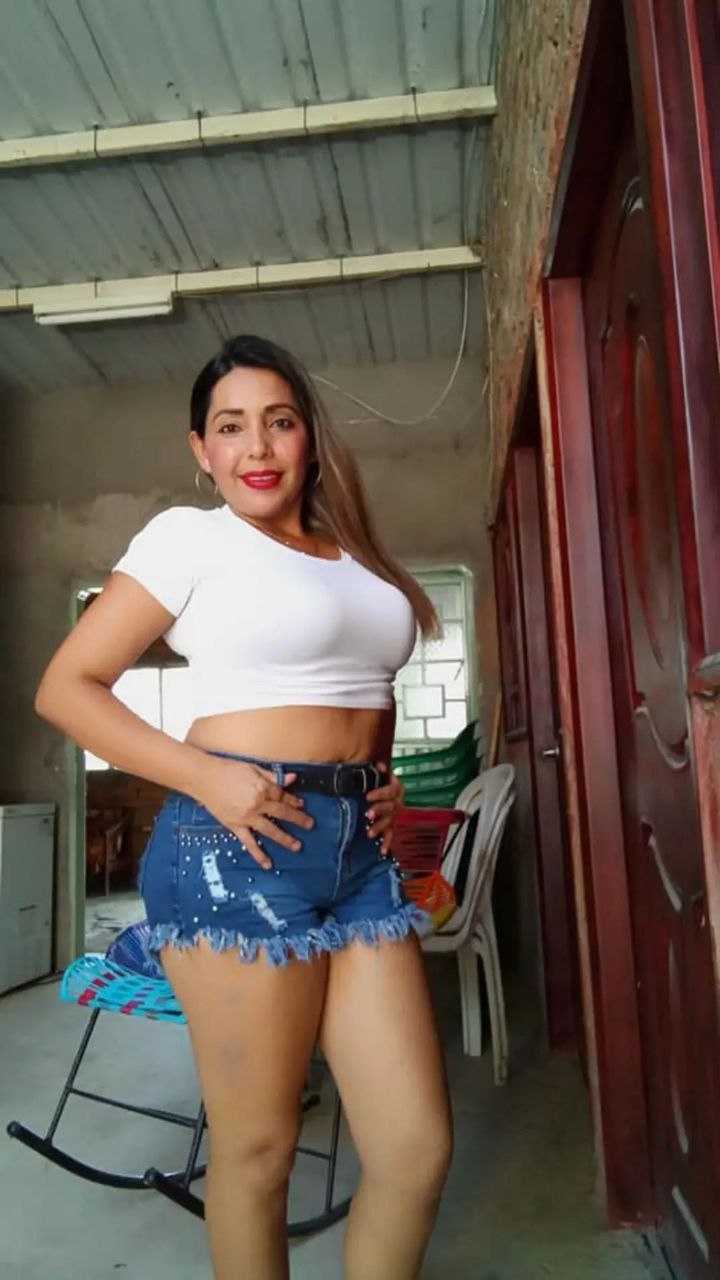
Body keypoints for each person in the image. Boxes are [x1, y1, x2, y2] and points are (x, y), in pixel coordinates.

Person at [35, 334, 453, 1280]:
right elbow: (67, 688)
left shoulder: (354, 554)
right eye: (231, 427)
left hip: (360, 856)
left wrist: (379, 779)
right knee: (259, 1153)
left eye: (279, 421)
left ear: (309, 437)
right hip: (234, 846)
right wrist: (204, 774)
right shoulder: (190, 540)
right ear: (201, 448)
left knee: (415, 1149)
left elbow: (366, 690)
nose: (257, 447)